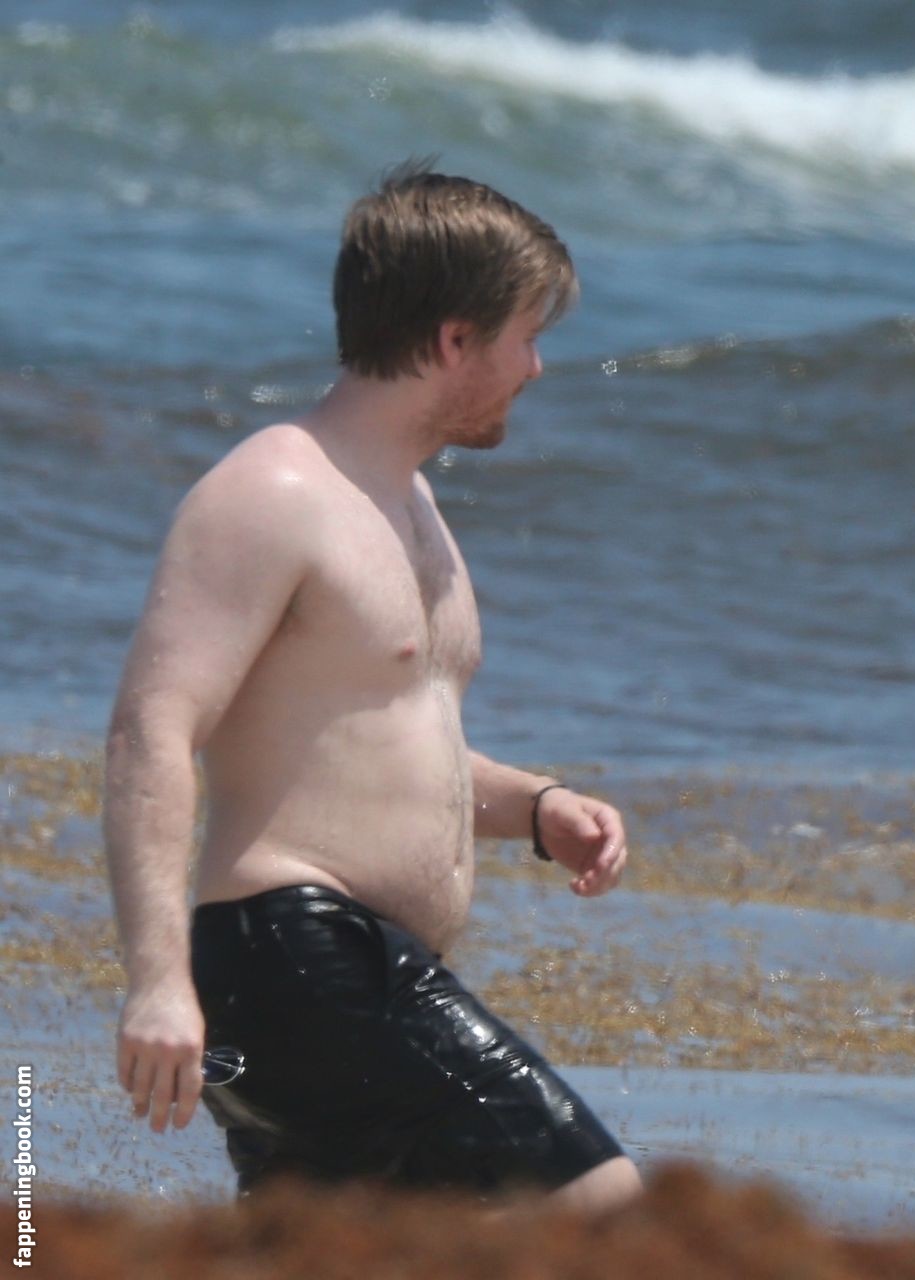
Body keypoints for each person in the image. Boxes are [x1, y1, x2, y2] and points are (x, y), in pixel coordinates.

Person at [103, 164, 641, 1210]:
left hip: (337, 968)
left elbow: (382, 745)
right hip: (296, 953)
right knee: (601, 1209)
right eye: (527, 335)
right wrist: (157, 981)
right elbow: (150, 728)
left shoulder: (408, 502)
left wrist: (536, 808)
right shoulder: (272, 492)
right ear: (455, 339)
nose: (536, 366)